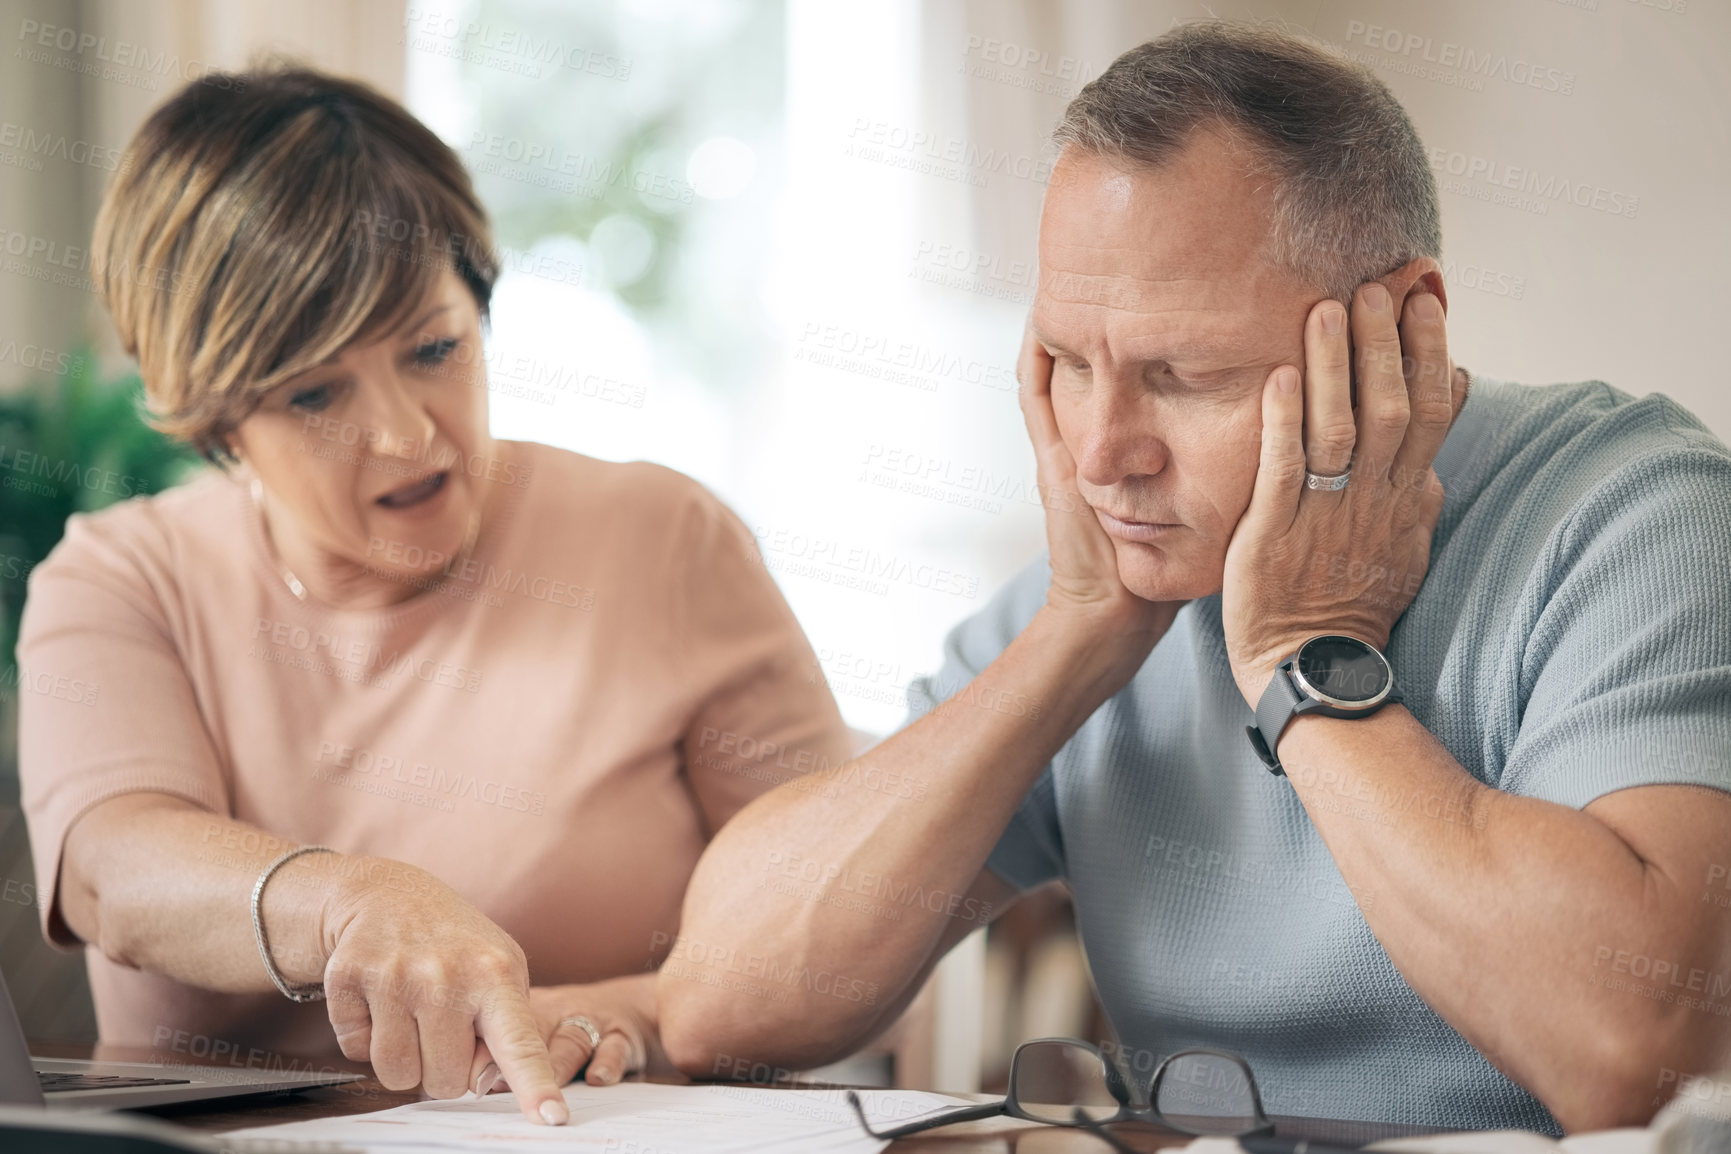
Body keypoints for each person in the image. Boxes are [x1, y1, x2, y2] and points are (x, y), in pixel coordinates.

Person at [657, 22, 1731, 1134]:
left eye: (1184, 374)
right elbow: (718, 1001)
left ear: (1399, 333)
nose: (1102, 452)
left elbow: (1639, 1056)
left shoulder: (1635, 514)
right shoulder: (1111, 580)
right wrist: (1073, 639)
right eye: (1070, 363)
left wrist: (1307, 658)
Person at [16, 66, 851, 1126]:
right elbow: (111, 872)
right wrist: (351, 899)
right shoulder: (121, 577)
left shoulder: (665, 541)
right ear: (219, 418)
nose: (407, 434)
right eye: (315, 391)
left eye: (435, 348)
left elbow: (835, 921)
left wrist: (634, 1009)